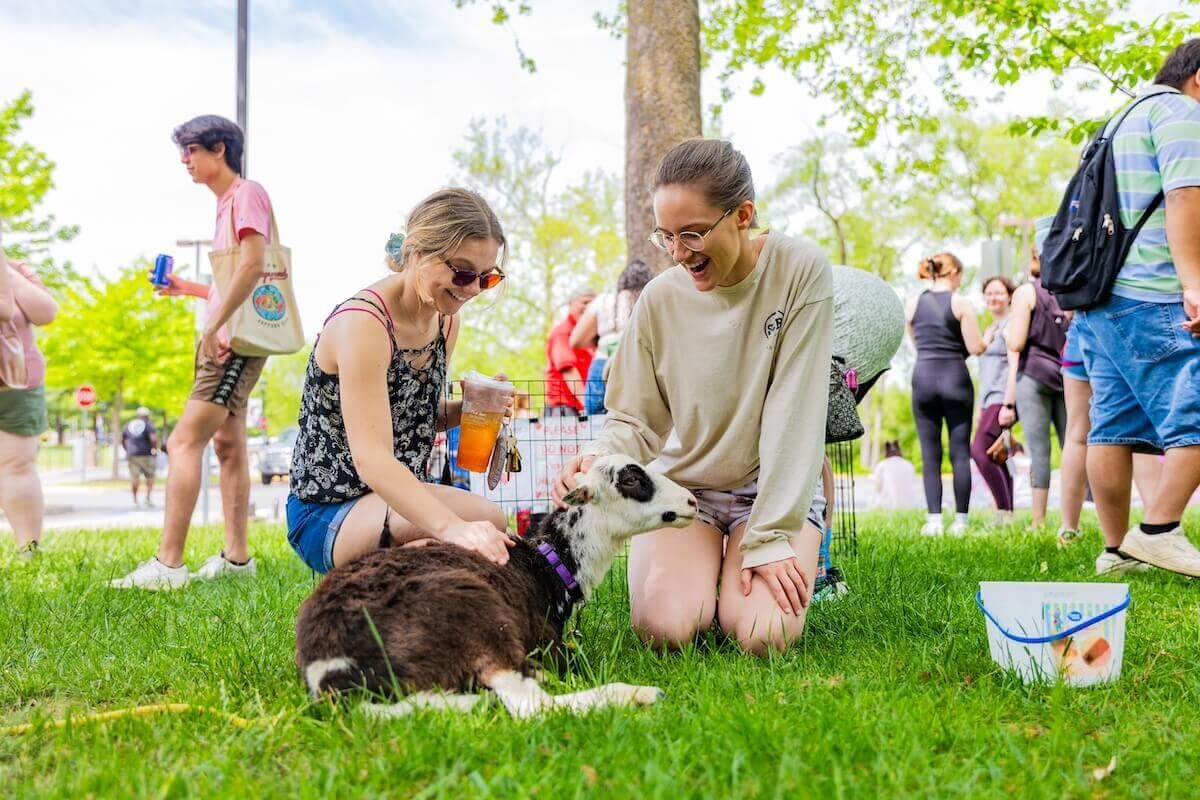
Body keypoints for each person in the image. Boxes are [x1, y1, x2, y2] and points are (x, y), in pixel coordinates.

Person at [553, 139, 833, 655]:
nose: (679, 254)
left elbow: (795, 411)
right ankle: (712, 573)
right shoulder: (660, 298)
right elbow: (634, 419)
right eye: (666, 237)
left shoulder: (800, 271)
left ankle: (773, 554)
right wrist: (597, 459)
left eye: (693, 234)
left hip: (769, 491)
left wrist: (770, 536)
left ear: (742, 215)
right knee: (666, 630)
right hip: (685, 489)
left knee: (762, 636)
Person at [286, 189, 513, 574]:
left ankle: (401, 568)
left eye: (486, 278)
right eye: (462, 272)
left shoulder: (444, 319)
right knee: (465, 533)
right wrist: (452, 528)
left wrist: (467, 410)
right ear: (420, 254)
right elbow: (372, 456)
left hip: (390, 499)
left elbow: (409, 416)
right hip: (328, 509)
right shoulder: (364, 324)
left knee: (490, 520)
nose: (472, 289)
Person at [111, 115, 274, 589]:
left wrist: (216, 328)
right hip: (229, 335)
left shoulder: (246, 194)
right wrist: (190, 289)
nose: (185, 160)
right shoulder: (227, 203)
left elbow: (254, 266)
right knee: (228, 442)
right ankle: (238, 561)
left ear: (218, 149)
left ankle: (168, 566)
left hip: (231, 343)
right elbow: (231, 281)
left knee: (183, 441)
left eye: (190, 150)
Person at [1069, 40, 1200, 577]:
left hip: (1098, 296)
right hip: (1150, 291)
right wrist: (1193, 280)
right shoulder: (1181, 113)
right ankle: (1160, 530)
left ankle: (1116, 551)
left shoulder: (1120, 117)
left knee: (1114, 425)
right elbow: (1186, 196)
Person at [1057, 321, 1162, 556]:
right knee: (1138, 436)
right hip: (1126, 328)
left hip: (1080, 331)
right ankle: (1159, 530)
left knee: (1076, 434)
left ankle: (1068, 529)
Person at [905, 252, 985, 536]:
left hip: (923, 376)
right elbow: (975, 347)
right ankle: (961, 522)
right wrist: (987, 339)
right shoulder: (960, 302)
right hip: (955, 378)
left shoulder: (913, 302)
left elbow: (914, 340)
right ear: (953, 273)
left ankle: (934, 521)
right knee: (960, 452)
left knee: (930, 454)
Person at [999, 237, 1069, 530]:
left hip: (1033, 376)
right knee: (1074, 448)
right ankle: (1070, 521)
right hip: (1066, 377)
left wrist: (1007, 337)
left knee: (1039, 451)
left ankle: (1038, 522)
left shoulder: (1026, 292)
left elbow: (1016, 342)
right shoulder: (1069, 294)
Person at [0, 249, 58, 560]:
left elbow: (46, 312)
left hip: (17, 380)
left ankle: (28, 548)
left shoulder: (14, 269)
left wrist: (7, 273)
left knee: (18, 465)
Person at [570, 260, 654, 415]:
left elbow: (576, 340)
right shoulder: (651, 299)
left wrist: (597, 338)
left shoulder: (603, 300)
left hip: (602, 361)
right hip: (638, 364)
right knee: (639, 415)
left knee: (594, 417)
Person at [971, 276, 1016, 522]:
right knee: (996, 453)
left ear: (1009, 296)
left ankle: (1003, 510)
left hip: (1002, 397)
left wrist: (1009, 404)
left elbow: (1013, 366)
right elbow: (985, 371)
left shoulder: (1010, 326)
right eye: (988, 293)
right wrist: (980, 405)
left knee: (979, 451)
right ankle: (1007, 511)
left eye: (998, 293)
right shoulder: (992, 328)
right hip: (989, 399)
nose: (993, 298)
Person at [543, 288, 595, 416]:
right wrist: (588, 406)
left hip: (580, 408)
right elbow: (568, 371)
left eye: (592, 304)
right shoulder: (562, 333)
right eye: (585, 302)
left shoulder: (590, 335)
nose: (588, 307)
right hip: (564, 410)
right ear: (571, 304)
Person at [121, 407, 159, 508]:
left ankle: (135, 500)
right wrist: (154, 449)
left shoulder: (129, 425)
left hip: (132, 455)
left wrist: (127, 450)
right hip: (146, 454)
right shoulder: (148, 425)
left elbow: (124, 440)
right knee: (150, 476)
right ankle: (148, 498)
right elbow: (153, 439)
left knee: (134, 477)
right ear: (147, 416)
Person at [871, 441, 922, 511]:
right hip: (910, 505)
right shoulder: (909, 465)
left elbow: (877, 488)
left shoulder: (882, 465)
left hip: (887, 506)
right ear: (900, 451)